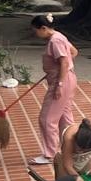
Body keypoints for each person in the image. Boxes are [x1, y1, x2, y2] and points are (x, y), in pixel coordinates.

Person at [29, 16, 78, 166]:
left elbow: (63, 61)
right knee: (65, 118)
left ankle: (49, 154)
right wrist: (55, 69)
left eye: (36, 30)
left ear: (43, 28)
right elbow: (74, 52)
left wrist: (60, 82)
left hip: (61, 82)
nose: (36, 34)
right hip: (68, 78)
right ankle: (74, 148)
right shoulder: (60, 36)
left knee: (47, 119)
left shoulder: (55, 40)